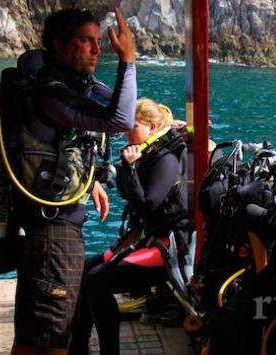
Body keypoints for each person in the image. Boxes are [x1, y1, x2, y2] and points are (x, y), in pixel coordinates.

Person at [11, 7, 136, 355]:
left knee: (38, 336)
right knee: (52, 341)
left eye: (98, 41)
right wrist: (128, 59)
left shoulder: (62, 89)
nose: (97, 49)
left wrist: (90, 179)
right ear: (58, 44)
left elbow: (61, 145)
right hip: (54, 233)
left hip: (53, 230)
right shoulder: (51, 93)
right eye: (86, 40)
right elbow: (121, 118)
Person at [69, 99, 189, 355]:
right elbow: (129, 196)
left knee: (96, 281)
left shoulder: (165, 159)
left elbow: (148, 204)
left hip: (169, 247)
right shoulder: (145, 153)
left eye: (131, 127)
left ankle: (109, 351)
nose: (126, 132)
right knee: (88, 268)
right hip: (150, 239)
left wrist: (132, 168)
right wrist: (127, 165)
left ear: (152, 126)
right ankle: (77, 345)